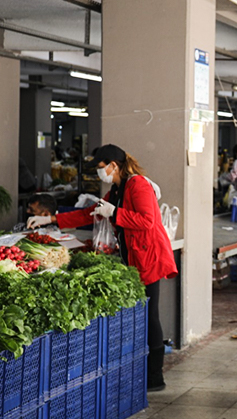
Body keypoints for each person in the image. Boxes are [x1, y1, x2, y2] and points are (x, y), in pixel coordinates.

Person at [28, 144, 177, 391]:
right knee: (142, 313)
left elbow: (148, 221)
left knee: (150, 315)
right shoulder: (118, 188)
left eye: (100, 168)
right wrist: (52, 219)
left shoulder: (138, 185)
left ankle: (155, 377)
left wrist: (115, 212)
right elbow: (90, 213)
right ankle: (143, 371)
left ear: (113, 165)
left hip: (148, 256)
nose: (100, 174)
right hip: (133, 256)